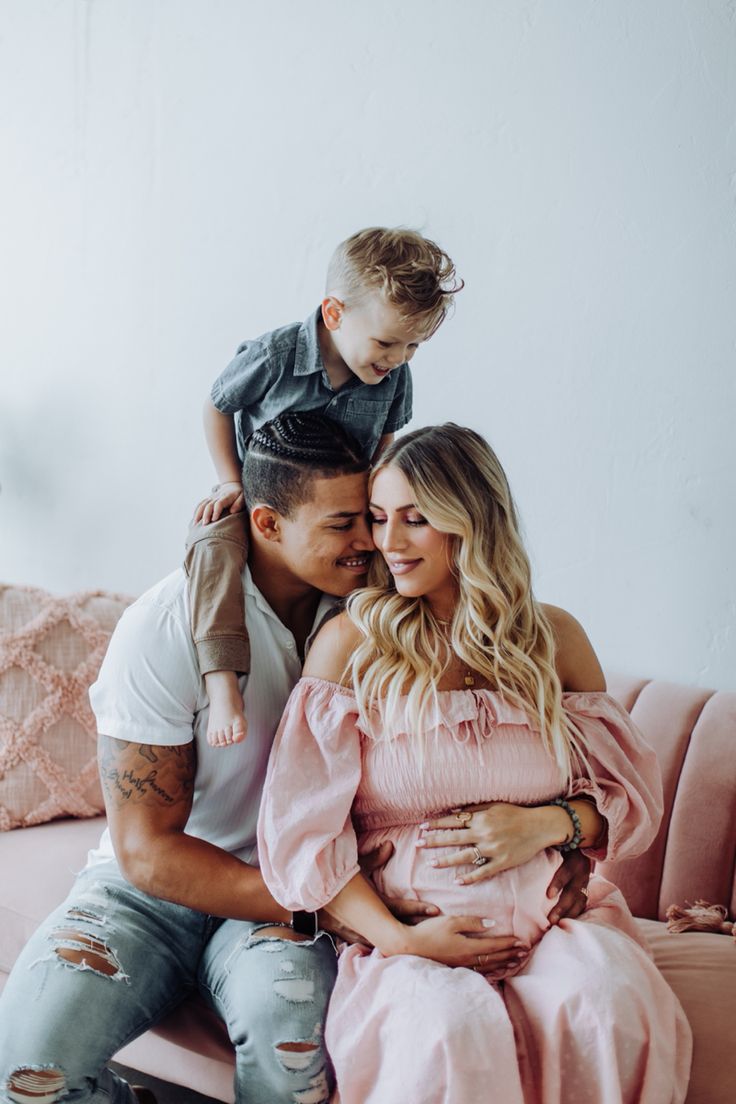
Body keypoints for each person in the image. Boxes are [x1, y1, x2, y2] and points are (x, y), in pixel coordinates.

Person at [257, 423, 693, 1104]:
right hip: (409, 936)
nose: (387, 542)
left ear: (472, 519)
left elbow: (626, 795)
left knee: (611, 1008)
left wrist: (547, 826)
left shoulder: (553, 639)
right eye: (378, 518)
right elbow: (302, 835)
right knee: (449, 1033)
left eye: (415, 519)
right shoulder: (351, 646)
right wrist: (403, 943)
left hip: (554, 926)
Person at [0, 415, 373, 1104]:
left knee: (292, 1051)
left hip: (283, 885)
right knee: (26, 1069)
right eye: (342, 524)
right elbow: (146, 852)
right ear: (267, 523)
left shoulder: (377, 616)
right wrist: (330, 906)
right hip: (144, 893)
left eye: (371, 517)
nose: (367, 542)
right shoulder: (165, 623)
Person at [187, 227, 462, 749]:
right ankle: (221, 681)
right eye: (386, 342)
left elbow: (386, 442)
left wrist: (384, 509)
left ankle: (384, 689)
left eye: (413, 346)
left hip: (350, 500)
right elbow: (218, 406)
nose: (398, 358)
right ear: (334, 314)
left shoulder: (394, 376)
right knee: (212, 546)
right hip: (268, 498)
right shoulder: (276, 355)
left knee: (386, 563)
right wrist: (230, 480)